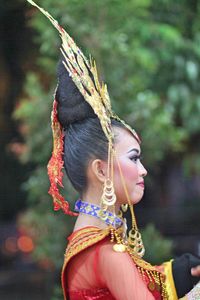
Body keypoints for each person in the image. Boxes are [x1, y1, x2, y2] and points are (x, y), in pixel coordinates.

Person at [27, 1, 200, 299]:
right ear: (101, 169)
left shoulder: (91, 240)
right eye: (134, 158)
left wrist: (184, 273)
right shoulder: (107, 253)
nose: (143, 169)